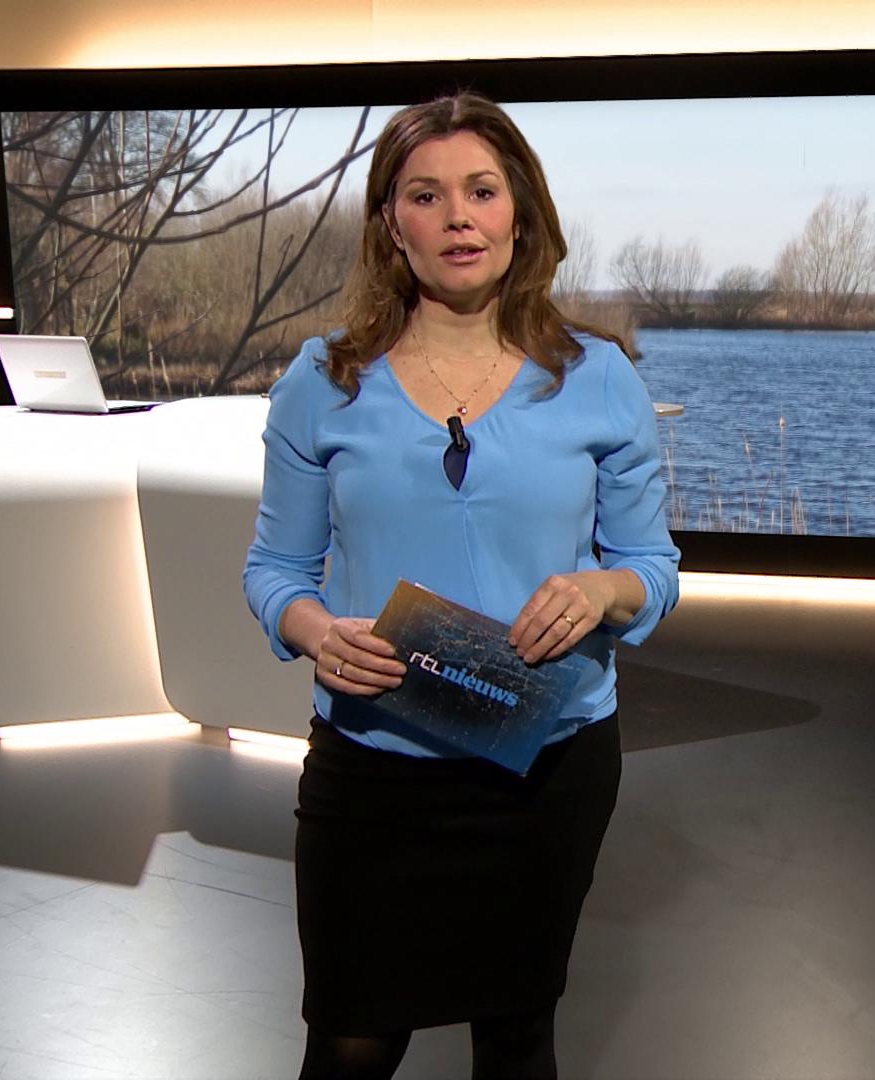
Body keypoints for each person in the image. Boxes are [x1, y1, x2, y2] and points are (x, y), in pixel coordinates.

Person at [243, 91, 680, 1080]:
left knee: (517, 1040)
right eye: (426, 195)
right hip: (375, 764)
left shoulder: (597, 376)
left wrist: (601, 593)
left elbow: (652, 568)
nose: (458, 218)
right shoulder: (323, 382)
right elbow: (275, 571)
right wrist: (313, 630)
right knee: (349, 1044)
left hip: (546, 766)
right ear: (389, 223)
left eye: (481, 191)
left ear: (521, 211)